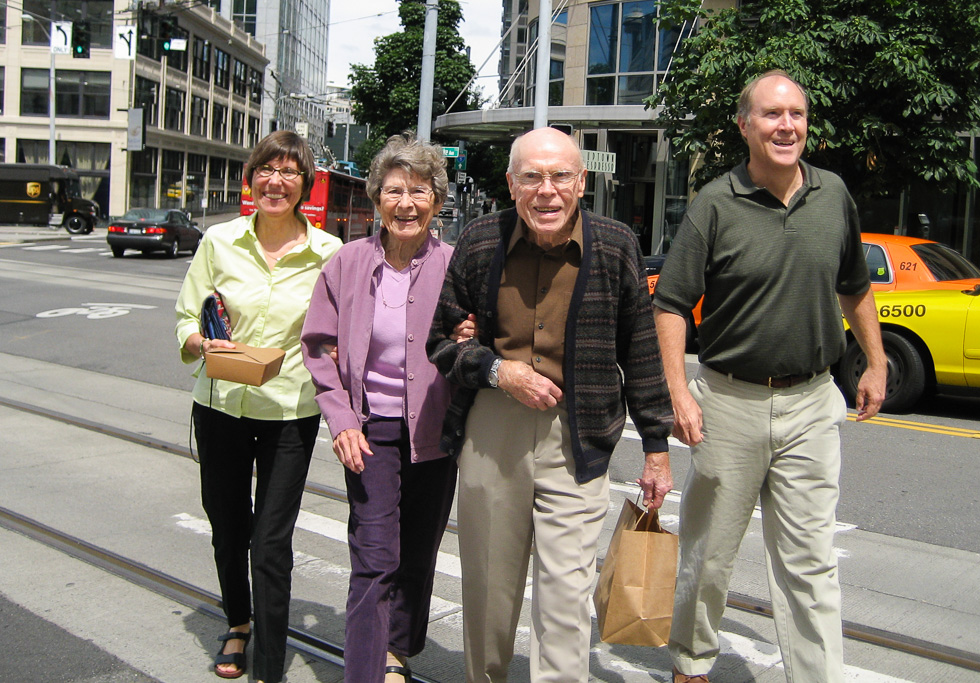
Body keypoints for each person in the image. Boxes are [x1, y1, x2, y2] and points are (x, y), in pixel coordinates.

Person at [652, 71, 887, 682]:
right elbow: (672, 302)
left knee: (811, 563)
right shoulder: (714, 202)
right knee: (709, 556)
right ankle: (691, 663)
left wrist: (876, 362)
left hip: (812, 402)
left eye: (797, 115)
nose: (787, 126)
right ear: (744, 125)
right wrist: (680, 391)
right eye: (771, 115)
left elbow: (854, 286)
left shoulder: (833, 194)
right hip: (730, 400)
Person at [427, 126, 674, 682]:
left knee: (566, 597)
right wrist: (497, 369)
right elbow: (441, 344)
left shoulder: (615, 245)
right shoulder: (480, 241)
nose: (547, 191)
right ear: (511, 184)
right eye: (532, 177)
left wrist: (656, 448)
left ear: (581, 181)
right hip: (493, 430)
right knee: (490, 590)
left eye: (560, 175)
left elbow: (641, 351)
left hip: (578, 436)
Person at [174, 130, 341, 682]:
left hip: (289, 411)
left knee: (271, 538)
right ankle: (238, 622)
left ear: (304, 185)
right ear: (252, 178)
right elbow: (186, 317)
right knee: (227, 525)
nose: (276, 181)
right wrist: (201, 342)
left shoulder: (328, 254)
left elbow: (342, 328)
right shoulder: (218, 243)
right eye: (267, 169)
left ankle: (268, 662)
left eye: (290, 172)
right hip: (220, 403)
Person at [301, 133, 467, 683]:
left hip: (435, 431)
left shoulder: (455, 265)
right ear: (377, 200)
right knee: (374, 554)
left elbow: (481, 334)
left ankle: (396, 651)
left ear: (437, 202)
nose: (406, 203)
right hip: (370, 431)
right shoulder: (347, 263)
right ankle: (366, 672)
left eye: (419, 191)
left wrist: (470, 333)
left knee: (418, 552)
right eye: (393, 191)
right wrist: (342, 420)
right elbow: (317, 347)